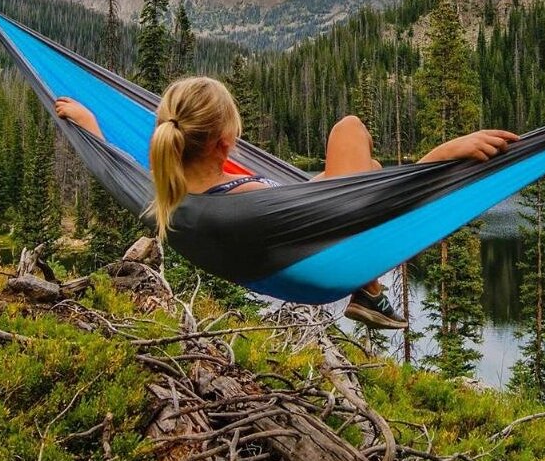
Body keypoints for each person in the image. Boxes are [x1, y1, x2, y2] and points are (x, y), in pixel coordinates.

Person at [56, 77, 518, 330]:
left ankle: (372, 292)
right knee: (350, 128)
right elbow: (367, 214)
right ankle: (369, 290)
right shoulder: (246, 202)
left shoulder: (164, 193)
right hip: (321, 256)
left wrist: (92, 126)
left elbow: (118, 168)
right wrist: (439, 159)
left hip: (289, 236)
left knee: (369, 165)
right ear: (224, 142)